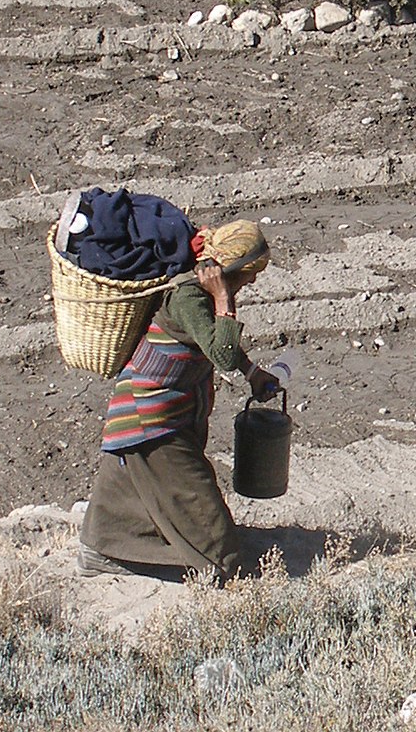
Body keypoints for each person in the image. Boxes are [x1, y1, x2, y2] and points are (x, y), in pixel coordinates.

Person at [78, 219, 279, 583]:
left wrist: (252, 372)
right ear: (230, 269)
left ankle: (103, 545)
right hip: (152, 418)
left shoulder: (196, 292)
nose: (251, 281)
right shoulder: (190, 295)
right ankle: (130, 556)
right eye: (249, 273)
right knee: (220, 551)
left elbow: (212, 343)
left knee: (138, 483)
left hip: (166, 411)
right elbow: (220, 352)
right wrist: (223, 299)